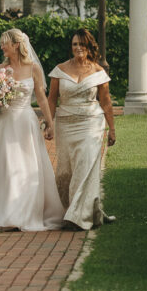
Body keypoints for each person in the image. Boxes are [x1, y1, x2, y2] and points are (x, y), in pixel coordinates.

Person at [0, 29, 63, 232]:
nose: (2, 47)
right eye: (2, 43)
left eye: (5, 43)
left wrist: (49, 122)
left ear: (16, 45)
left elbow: (41, 97)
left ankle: (24, 212)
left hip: (25, 122)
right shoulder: (0, 70)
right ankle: (1, 213)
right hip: (3, 122)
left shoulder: (33, 68)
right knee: (4, 166)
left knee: (27, 166)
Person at [47, 28, 116, 231]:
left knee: (85, 167)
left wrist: (112, 129)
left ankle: (79, 216)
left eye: (82, 45)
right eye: (75, 44)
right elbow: (52, 99)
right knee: (65, 171)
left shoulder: (98, 72)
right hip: (66, 124)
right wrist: (49, 124)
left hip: (91, 123)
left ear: (89, 47)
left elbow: (106, 102)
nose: (78, 48)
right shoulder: (60, 70)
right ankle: (76, 210)